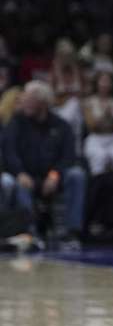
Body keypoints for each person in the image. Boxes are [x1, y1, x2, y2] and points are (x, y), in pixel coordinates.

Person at [1, 80, 88, 247]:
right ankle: (30, 231)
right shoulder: (16, 123)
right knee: (15, 183)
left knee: (77, 175)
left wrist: (55, 174)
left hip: (53, 177)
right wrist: (19, 173)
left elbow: (68, 156)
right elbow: (9, 153)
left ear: (42, 103)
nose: (24, 102)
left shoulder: (61, 126)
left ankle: (71, 233)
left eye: (29, 99)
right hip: (26, 176)